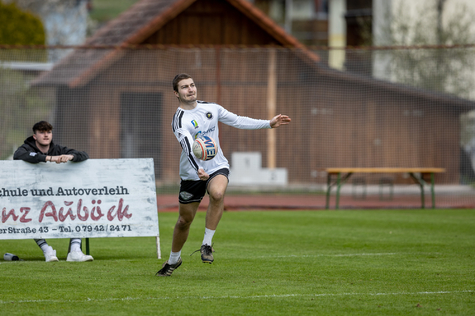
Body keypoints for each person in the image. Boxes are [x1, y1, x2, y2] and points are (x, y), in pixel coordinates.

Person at [156, 74, 291, 276]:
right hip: (192, 174)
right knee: (184, 221)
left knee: (217, 194)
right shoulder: (179, 120)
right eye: (184, 87)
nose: (190, 89)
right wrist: (197, 169)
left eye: (192, 85)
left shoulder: (212, 108)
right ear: (176, 93)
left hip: (217, 166)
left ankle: (207, 244)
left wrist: (268, 123)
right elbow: (185, 145)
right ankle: (174, 260)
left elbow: (237, 120)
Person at [14, 121, 94, 262]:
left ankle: (75, 251)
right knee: (30, 218)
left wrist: (71, 157)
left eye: (49, 132)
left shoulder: (57, 148)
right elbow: (19, 155)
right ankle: (47, 250)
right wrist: (49, 159)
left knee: (78, 208)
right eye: (42, 132)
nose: (46, 135)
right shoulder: (25, 148)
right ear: (34, 136)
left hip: (58, 197)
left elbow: (84, 155)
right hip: (32, 198)